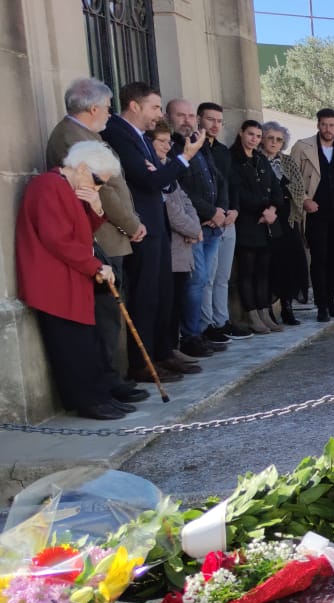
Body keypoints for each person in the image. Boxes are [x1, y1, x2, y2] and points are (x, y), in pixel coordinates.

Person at [44, 78, 150, 403]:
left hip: (111, 234)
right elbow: (97, 190)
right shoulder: (69, 138)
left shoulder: (89, 134)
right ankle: (107, 381)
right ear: (92, 108)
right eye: (106, 107)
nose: (109, 113)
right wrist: (131, 223)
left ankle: (112, 378)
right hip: (101, 235)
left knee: (111, 314)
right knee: (105, 315)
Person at [100, 81, 204, 382]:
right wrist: (185, 157)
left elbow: (158, 176)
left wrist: (160, 171)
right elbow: (148, 181)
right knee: (145, 297)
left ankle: (162, 352)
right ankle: (141, 362)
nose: (160, 113)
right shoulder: (117, 133)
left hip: (156, 224)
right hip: (140, 227)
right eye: (156, 107)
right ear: (135, 105)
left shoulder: (140, 136)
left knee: (162, 294)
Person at [18, 141, 130, 419]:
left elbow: (81, 232)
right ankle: (88, 401)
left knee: (87, 341)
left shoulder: (68, 188)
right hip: (54, 278)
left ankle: (99, 395)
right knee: (72, 345)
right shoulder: (49, 186)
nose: (97, 187)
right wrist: (96, 265)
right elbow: (57, 239)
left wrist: (94, 207)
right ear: (81, 167)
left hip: (71, 274)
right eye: (96, 181)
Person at [153, 121, 214, 358]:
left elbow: (185, 201)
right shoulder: (155, 170)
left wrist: (195, 228)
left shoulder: (169, 167)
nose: (167, 147)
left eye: (169, 142)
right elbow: (169, 208)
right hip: (172, 244)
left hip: (185, 241)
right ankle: (170, 349)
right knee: (168, 302)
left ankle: (175, 347)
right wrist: (193, 230)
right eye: (161, 142)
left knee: (177, 299)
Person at [289, 108, 334, 322]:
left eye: (332, 125)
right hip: (315, 212)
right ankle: (321, 306)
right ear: (318, 125)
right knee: (318, 259)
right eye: (324, 124)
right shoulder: (302, 147)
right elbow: (291, 178)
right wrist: (305, 200)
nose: (328, 129)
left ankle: (331, 302)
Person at [196, 102, 247, 342]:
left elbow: (229, 184)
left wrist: (233, 210)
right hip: (207, 222)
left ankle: (222, 320)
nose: (215, 125)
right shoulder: (193, 149)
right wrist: (213, 213)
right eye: (210, 120)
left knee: (223, 277)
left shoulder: (223, 152)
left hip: (228, 220)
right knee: (206, 277)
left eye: (219, 121)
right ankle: (207, 325)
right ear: (199, 120)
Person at [229, 120, 285, 335]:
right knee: (247, 272)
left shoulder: (260, 159)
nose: (254, 139)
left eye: (257, 135)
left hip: (267, 225)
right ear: (241, 133)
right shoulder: (234, 159)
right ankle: (252, 315)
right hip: (247, 224)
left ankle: (264, 312)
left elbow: (276, 191)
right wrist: (263, 209)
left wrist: (272, 209)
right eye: (251, 134)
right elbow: (239, 193)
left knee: (263, 272)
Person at [260, 121, 307, 326]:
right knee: (271, 265)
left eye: (279, 139)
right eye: (270, 138)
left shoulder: (287, 162)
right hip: (265, 219)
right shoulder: (257, 160)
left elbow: (298, 187)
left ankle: (287, 307)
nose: (274, 142)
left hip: (288, 219)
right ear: (262, 138)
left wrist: (282, 190)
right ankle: (268, 309)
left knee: (291, 263)